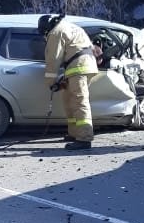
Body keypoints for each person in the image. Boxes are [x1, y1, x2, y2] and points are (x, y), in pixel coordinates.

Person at [38, 13, 99, 150]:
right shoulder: (72, 27)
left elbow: (52, 60)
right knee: (69, 101)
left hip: (78, 68)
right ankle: (74, 133)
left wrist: (51, 83)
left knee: (79, 102)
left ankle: (84, 138)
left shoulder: (56, 33)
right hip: (83, 66)